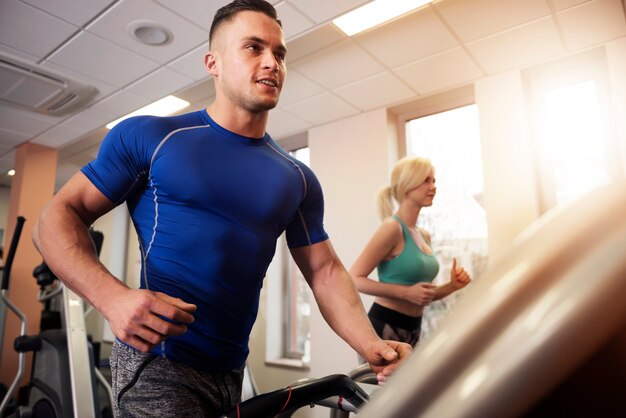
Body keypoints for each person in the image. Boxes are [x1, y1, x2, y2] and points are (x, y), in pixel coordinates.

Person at [31, 1, 412, 417]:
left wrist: (369, 344)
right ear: (212, 62)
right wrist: (113, 298)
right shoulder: (153, 137)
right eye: (253, 47)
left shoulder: (297, 178)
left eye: (279, 53)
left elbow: (325, 272)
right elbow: (56, 217)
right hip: (158, 362)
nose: (272, 62)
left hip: (230, 369)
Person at [350, 156, 472, 348]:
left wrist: (452, 286)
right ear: (407, 185)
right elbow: (355, 278)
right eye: (426, 180)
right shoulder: (392, 228)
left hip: (414, 327)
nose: (433, 186)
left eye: (434, 181)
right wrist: (405, 292)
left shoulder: (424, 235)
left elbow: (422, 296)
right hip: (384, 326)